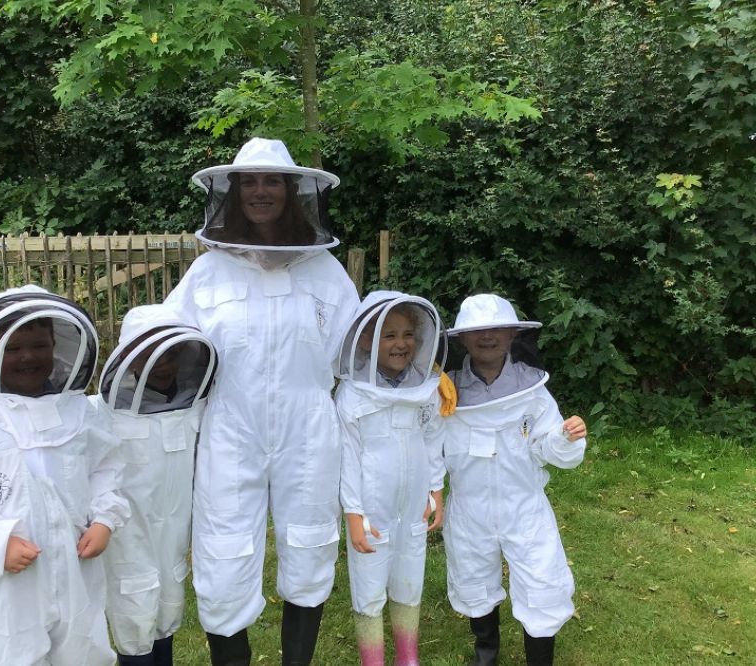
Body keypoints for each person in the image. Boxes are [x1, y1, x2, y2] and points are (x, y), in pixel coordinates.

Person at [162, 137, 360, 666]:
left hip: (310, 427)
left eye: (272, 180)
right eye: (249, 181)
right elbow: (164, 347)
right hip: (229, 428)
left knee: (311, 541)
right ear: (232, 192)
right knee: (223, 547)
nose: (260, 191)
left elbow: (359, 354)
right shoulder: (208, 273)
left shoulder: (326, 274)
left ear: (294, 191)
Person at [0, 285, 130, 666]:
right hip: (8, 579)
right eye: (13, 347)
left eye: (39, 345)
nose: (27, 357)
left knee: (83, 650)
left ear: (55, 346)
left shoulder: (82, 414)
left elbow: (107, 469)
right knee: (9, 654)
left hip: (76, 566)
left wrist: (105, 519)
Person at [441, 294, 587, 666]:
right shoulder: (447, 392)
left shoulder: (533, 391)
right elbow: (431, 447)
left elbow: (550, 448)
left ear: (511, 335)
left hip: (524, 505)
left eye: (496, 330)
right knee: (473, 576)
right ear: (461, 340)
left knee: (542, 581)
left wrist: (567, 437)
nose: (487, 337)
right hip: (468, 507)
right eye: (477, 332)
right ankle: (485, 655)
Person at [90, 304, 217, 666]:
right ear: (128, 359)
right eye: (148, 354)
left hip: (174, 529)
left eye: (172, 354)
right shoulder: (101, 413)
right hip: (126, 532)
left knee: (167, 600)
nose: (162, 363)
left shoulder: (194, 406)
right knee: (132, 607)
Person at [335, 292, 447, 666]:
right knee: (368, 585)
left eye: (407, 334)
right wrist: (353, 511)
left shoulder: (426, 390)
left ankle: (407, 656)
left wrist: (436, 489)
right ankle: (373, 660)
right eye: (389, 335)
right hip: (371, 506)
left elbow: (433, 442)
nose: (401, 344)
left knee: (410, 578)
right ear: (366, 340)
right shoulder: (352, 395)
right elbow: (347, 458)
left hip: (413, 505)